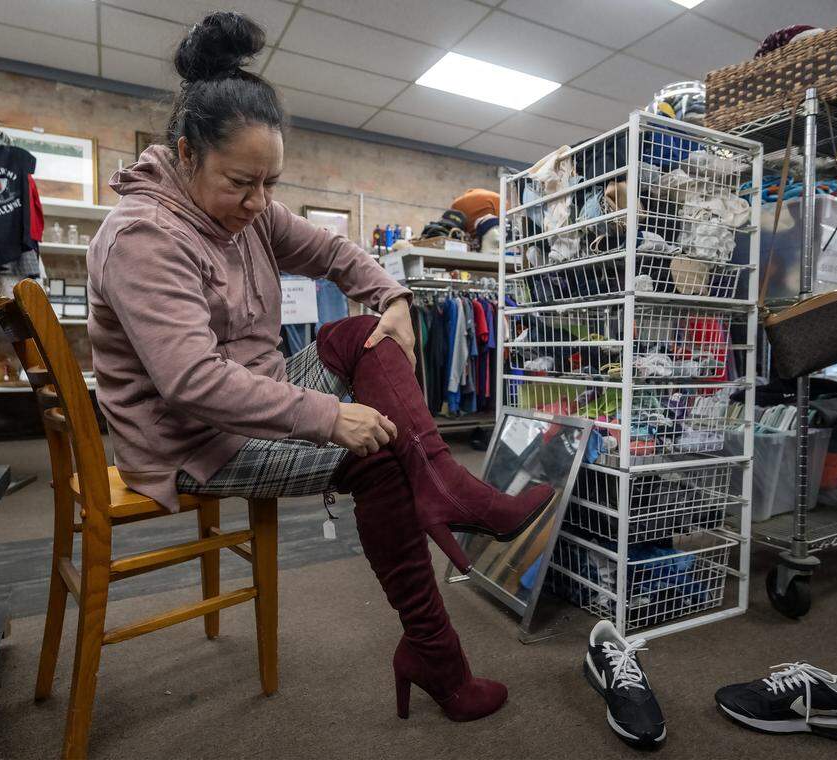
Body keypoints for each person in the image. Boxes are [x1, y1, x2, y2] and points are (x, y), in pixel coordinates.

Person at [86, 11, 553, 723]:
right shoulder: (143, 237)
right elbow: (192, 382)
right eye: (243, 184)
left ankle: (445, 506)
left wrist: (392, 295)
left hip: (258, 396)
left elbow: (336, 255)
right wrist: (330, 416)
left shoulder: (248, 207)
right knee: (380, 456)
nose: (260, 202)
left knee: (361, 332)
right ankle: (437, 639)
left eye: (270, 183)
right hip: (191, 438)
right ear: (185, 154)